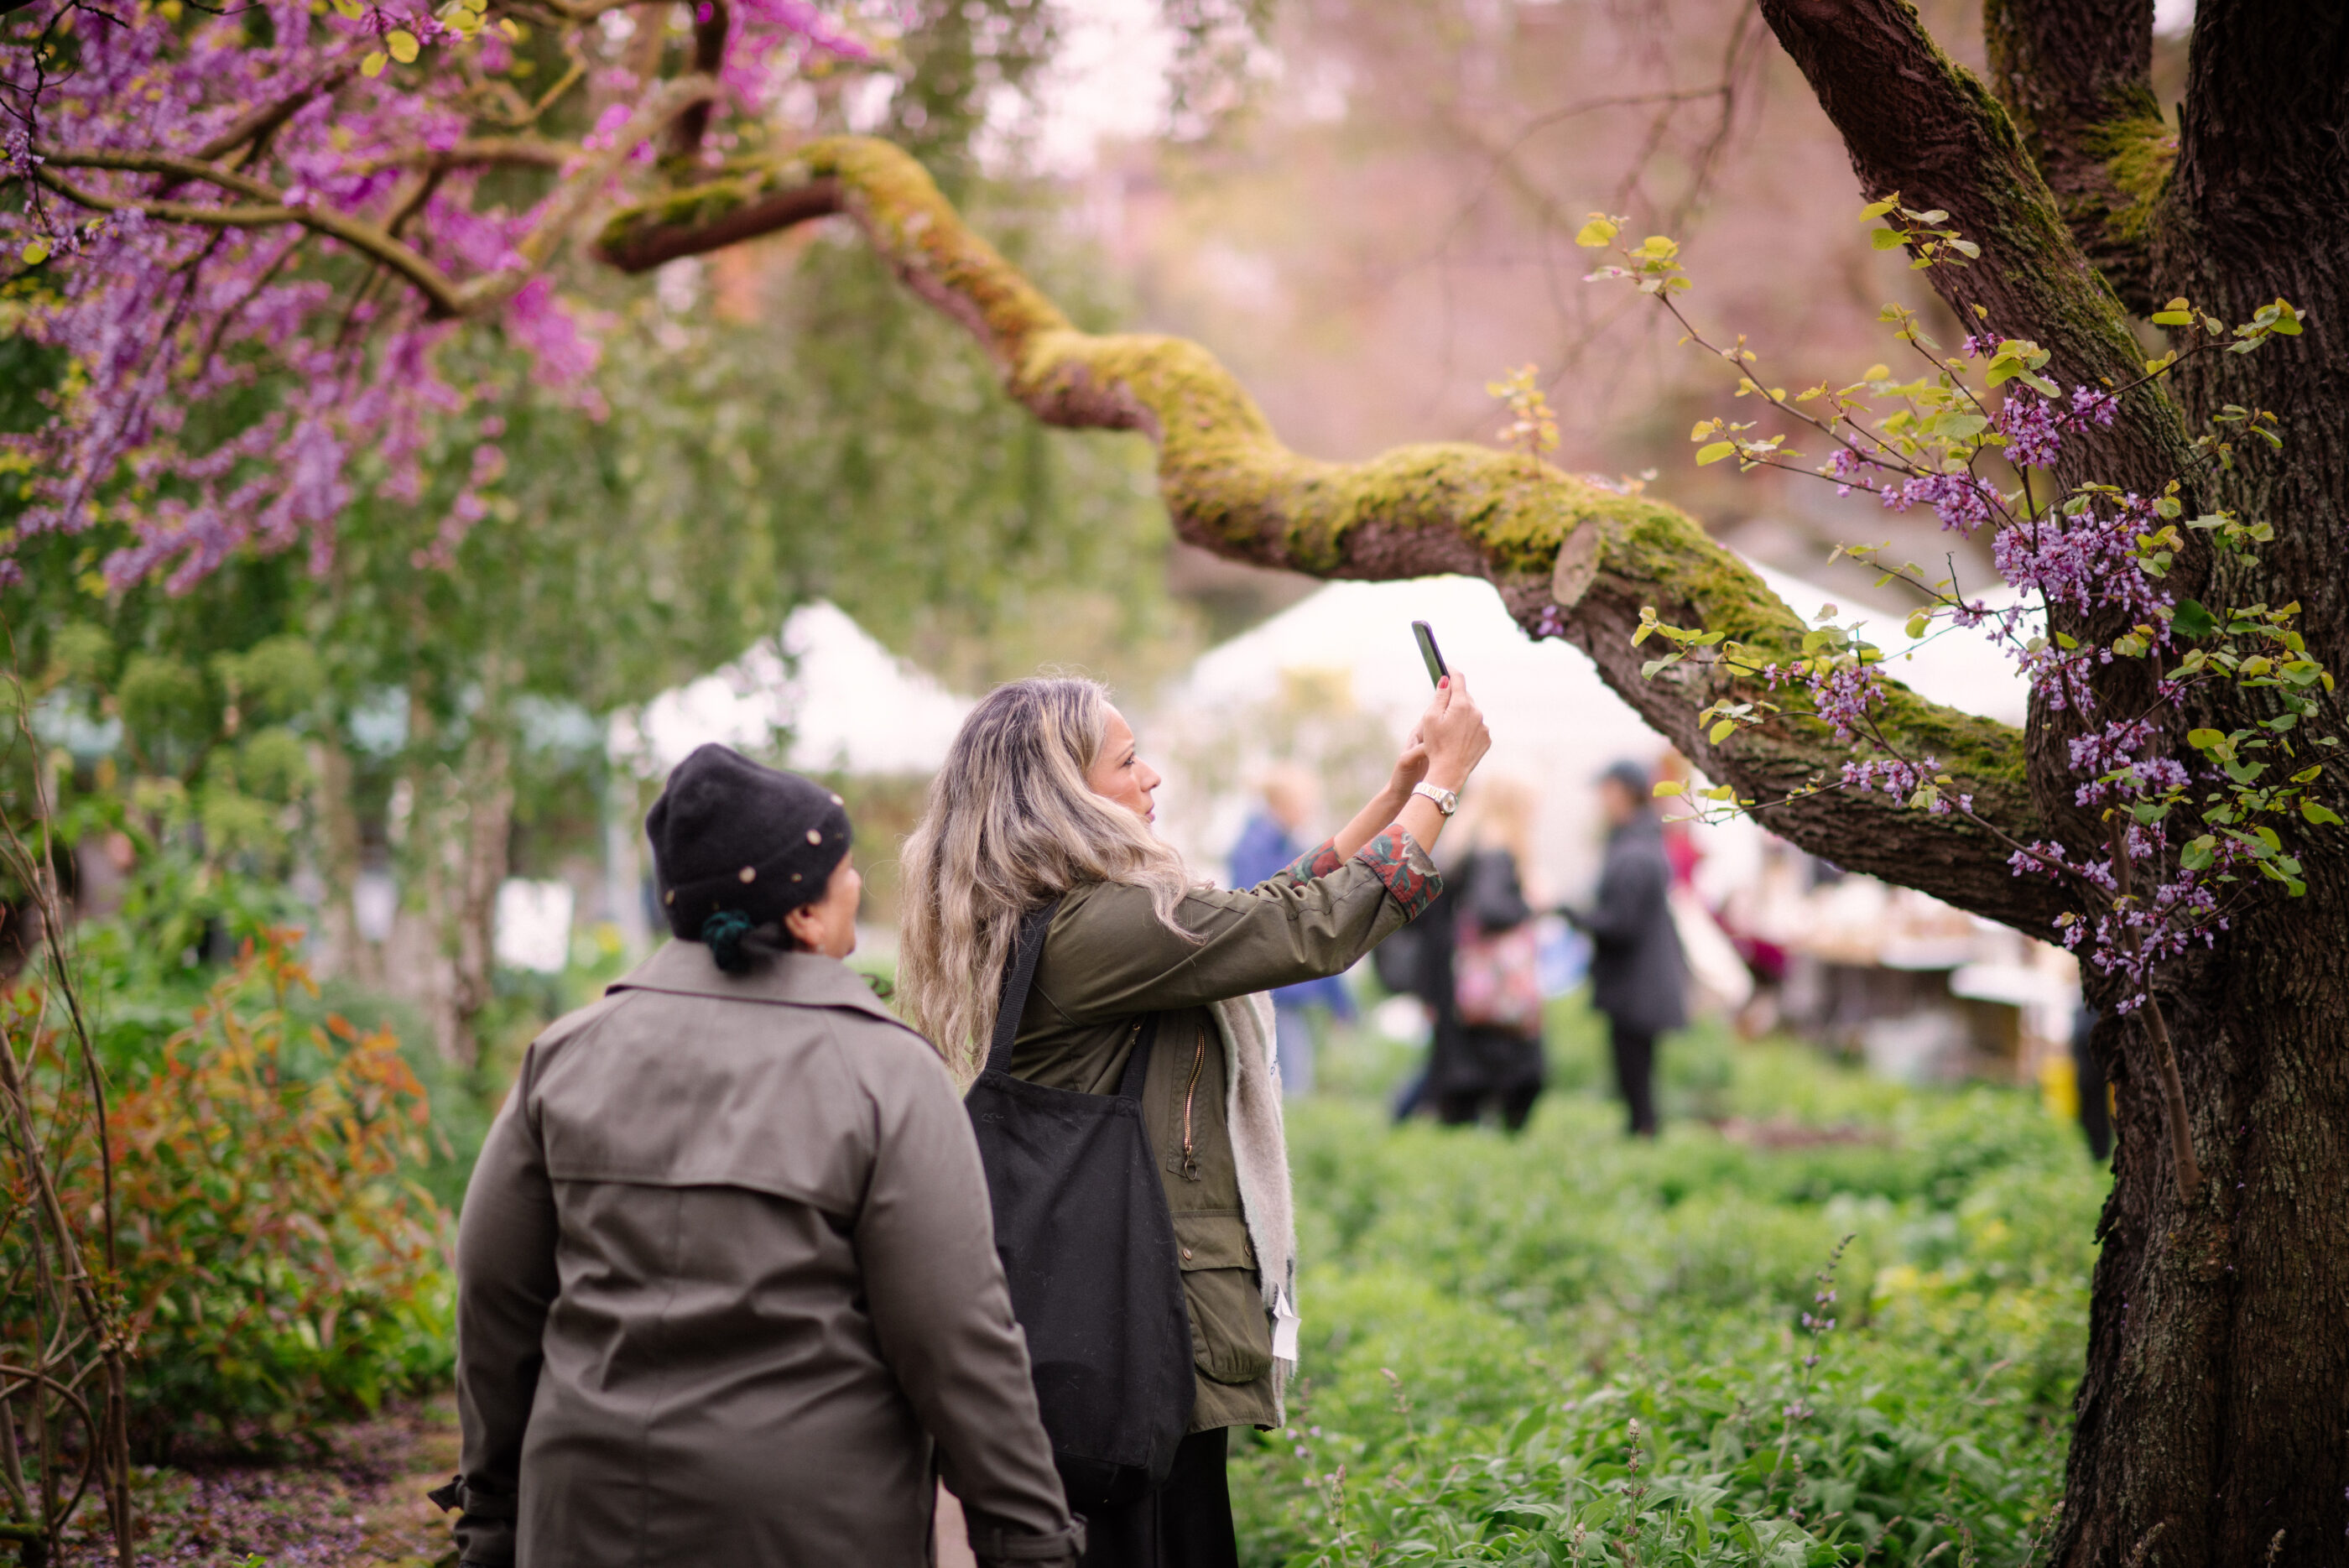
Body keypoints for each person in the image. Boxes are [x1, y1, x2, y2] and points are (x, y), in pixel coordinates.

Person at [440, 744, 1084, 1568]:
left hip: (584, 1515)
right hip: (808, 1527)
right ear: (804, 913)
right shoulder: (886, 1073)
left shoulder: (564, 1058)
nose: (857, 887)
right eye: (845, 871)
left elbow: (494, 1304)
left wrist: (492, 1518)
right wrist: (1028, 1541)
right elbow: (957, 1341)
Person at [898, 672, 1489, 1568]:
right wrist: (1443, 787)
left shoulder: (1065, 913)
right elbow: (1307, 931)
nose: (1152, 777)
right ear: (1063, 791)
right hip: (1138, 1321)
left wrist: (1396, 795)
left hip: (1107, 1313)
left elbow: (1261, 913)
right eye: (1127, 761)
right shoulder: (1099, 926)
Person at [1414, 776, 1548, 1132]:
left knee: (1458, 1076)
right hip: (1490, 986)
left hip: (1458, 979)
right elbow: (1491, 909)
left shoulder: (1466, 843)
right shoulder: (1496, 850)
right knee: (1520, 1073)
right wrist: (1531, 904)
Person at [1564, 759, 1686, 1138]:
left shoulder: (1633, 851)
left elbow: (1620, 923)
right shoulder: (1641, 842)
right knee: (1636, 1072)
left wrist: (1571, 914)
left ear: (1623, 793)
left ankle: (1643, 1138)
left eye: (1606, 791)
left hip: (1636, 982)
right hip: (1642, 979)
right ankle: (1642, 1136)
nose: (1601, 801)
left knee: (1635, 1074)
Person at [1226, 764, 1360, 1097]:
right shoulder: (1256, 852)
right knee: (1290, 1085)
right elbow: (1265, 920)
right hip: (1273, 983)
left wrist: (1339, 1000)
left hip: (1289, 982)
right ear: (1284, 801)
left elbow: (1316, 923)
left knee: (1294, 1080)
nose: (1309, 810)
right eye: (1305, 801)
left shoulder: (1288, 847)